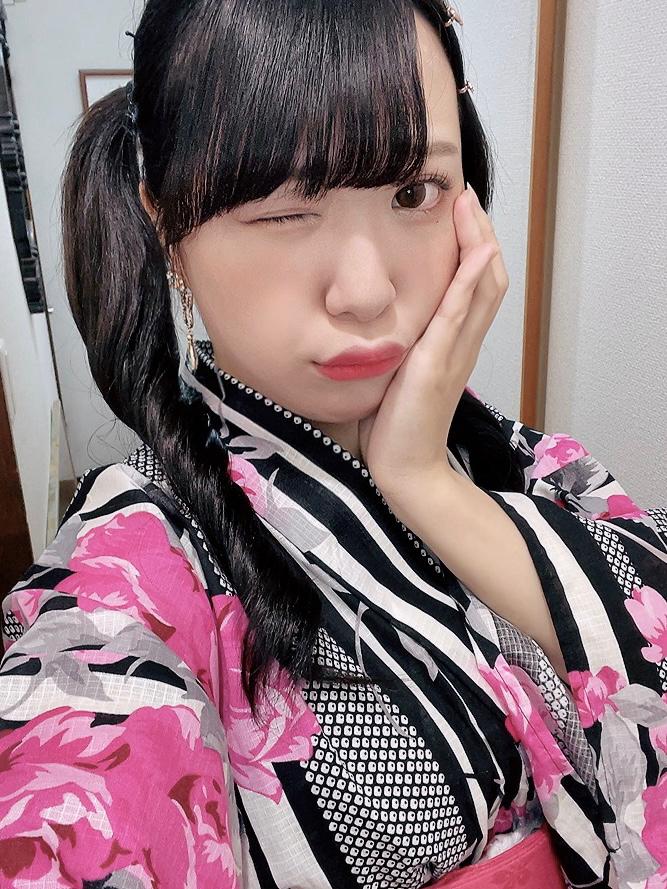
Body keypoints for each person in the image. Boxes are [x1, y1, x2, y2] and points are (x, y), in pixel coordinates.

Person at [1, 1, 666, 886]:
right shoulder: (131, 571)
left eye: (412, 192)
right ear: (167, 228)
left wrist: (427, 482)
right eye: (283, 209)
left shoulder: (541, 470)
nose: (364, 289)